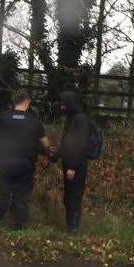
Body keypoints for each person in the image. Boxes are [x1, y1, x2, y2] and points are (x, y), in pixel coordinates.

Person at [0, 90, 49, 230]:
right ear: (27, 102)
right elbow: (45, 144)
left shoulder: (4, 117)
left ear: (14, 101)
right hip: (25, 164)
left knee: (2, 193)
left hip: (6, 163)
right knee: (21, 196)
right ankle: (20, 226)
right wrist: (50, 154)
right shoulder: (34, 121)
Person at [50, 91, 91, 233]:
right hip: (67, 164)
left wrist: (73, 167)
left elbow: (81, 144)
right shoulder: (70, 119)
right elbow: (65, 143)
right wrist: (54, 156)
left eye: (64, 104)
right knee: (68, 196)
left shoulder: (81, 119)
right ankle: (69, 226)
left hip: (76, 166)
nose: (62, 107)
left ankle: (74, 227)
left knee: (74, 196)